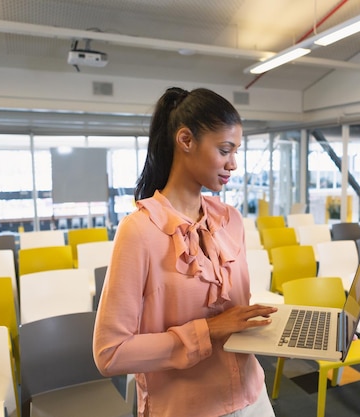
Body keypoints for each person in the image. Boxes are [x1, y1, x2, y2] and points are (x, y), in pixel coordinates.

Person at [93, 87, 278, 417]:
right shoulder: (139, 231)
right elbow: (110, 353)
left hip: (253, 395)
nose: (233, 164)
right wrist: (208, 330)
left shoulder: (230, 220)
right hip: (188, 408)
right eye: (225, 150)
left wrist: (274, 329)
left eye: (236, 151)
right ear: (186, 141)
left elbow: (236, 311)